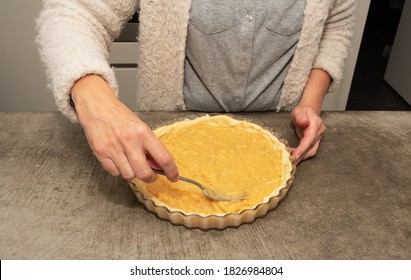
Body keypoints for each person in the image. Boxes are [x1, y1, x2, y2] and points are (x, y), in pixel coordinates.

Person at [36, 0, 357, 183]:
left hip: (279, 135)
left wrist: (311, 102)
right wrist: (93, 97)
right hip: (171, 140)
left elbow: (336, 23)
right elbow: (75, 11)